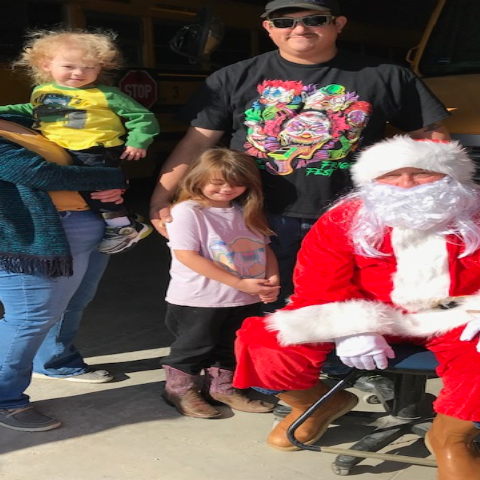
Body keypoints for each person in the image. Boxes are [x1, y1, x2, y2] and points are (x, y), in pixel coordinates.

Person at [149, 0, 450, 312]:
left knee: (345, 301)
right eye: (284, 22)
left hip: (350, 216)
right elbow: (195, 143)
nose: (300, 29)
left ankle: (336, 359)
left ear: (339, 24)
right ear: (268, 28)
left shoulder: (387, 76)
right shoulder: (231, 78)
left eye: (315, 19)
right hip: (253, 217)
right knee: (260, 304)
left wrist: (442, 194)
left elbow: (430, 135)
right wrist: (161, 198)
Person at [233, 136, 480, 480]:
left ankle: (452, 437)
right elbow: (318, 280)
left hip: (457, 314)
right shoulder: (344, 218)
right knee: (264, 342)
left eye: (423, 173)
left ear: (451, 177)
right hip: (367, 312)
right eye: (391, 175)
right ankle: (316, 403)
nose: (406, 184)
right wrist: (351, 326)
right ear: (371, 180)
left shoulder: (476, 214)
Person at [0, 114, 128, 432]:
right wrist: (111, 177)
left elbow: (81, 154)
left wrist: (106, 193)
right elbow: (37, 173)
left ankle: (54, 363)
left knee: (72, 302)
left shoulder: (20, 117)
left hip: (81, 227)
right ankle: (6, 399)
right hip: (29, 237)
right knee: (29, 317)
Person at [0, 29, 160, 255]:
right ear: (46, 65)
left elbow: (142, 116)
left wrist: (138, 141)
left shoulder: (106, 94)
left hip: (95, 147)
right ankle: (129, 218)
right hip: (63, 146)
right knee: (91, 188)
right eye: (69, 66)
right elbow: (33, 110)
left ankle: (123, 227)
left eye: (89, 67)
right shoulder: (42, 91)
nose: (78, 73)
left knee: (95, 189)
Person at [161, 148, 280, 418]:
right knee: (193, 347)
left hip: (244, 297)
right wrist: (240, 282)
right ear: (198, 179)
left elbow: (264, 247)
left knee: (230, 345)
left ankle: (222, 387)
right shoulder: (188, 211)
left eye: (236, 183)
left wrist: (272, 279)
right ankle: (179, 389)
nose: (227, 189)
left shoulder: (247, 210)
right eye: (217, 182)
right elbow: (186, 255)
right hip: (199, 298)